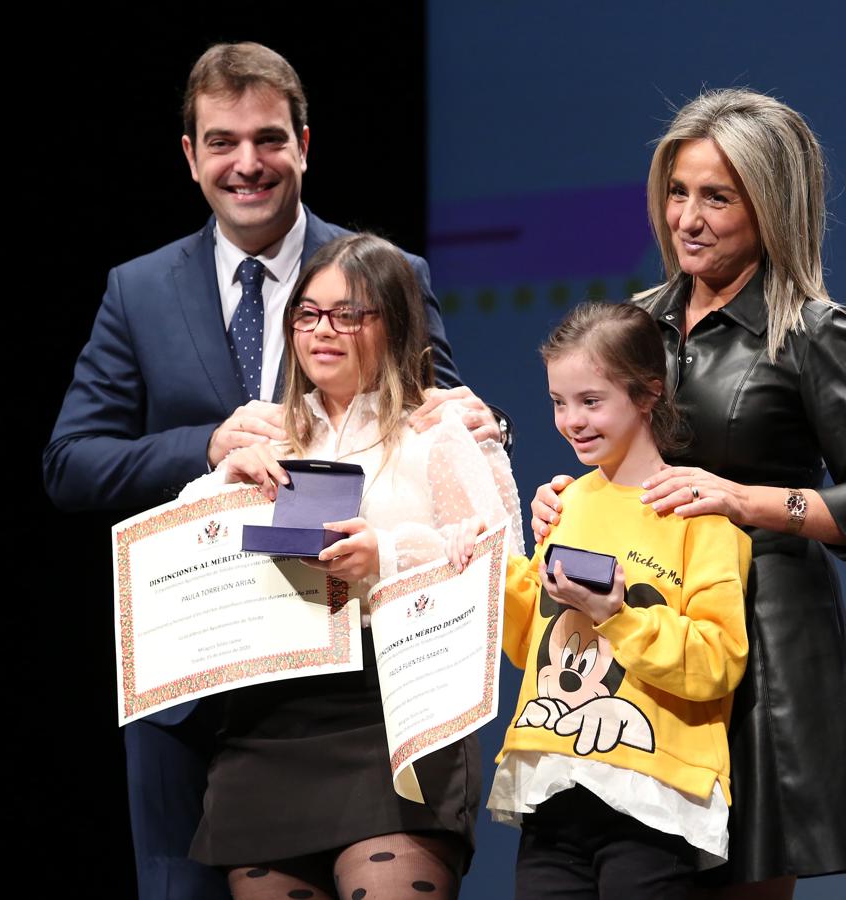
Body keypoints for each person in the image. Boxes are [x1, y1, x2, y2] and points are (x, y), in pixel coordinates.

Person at [42, 42, 505, 900]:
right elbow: (71, 465)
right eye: (221, 142)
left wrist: (490, 427)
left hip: (367, 683)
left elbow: (439, 422)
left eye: (266, 139)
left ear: (303, 143)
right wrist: (205, 445)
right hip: (200, 690)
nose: (246, 164)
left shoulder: (392, 273)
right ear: (190, 155)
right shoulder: (137, 291)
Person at [530, 89, 846, 898]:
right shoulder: (635, 323)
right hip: (642, 639)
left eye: (717, 196)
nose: (687, 218)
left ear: (770, 204)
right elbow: (613, 457)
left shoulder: (812, 331)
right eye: (677, 192)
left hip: (766, 651)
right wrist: (568, 497)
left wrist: (746, 501)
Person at [177, 232, 521, 900]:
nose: (321, 331)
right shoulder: (263, 431)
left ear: (390, 323)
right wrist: (219, 481)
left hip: (396, 714)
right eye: (306, 314)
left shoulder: (438, 429)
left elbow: (501, 566)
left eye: (346, 314)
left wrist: (385, 556)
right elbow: (178, 555)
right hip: (269, 722)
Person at [451, 302, 750, 898]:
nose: (572, 421)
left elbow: (718, 661)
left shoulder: (700, 517)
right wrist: (478, 565)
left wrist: (617, 617)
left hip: (654, 799)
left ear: (647, 395)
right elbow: (528, 641)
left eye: (591, 401)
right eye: (559, 402)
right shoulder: (566, 504)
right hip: (554, 790)